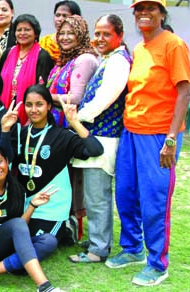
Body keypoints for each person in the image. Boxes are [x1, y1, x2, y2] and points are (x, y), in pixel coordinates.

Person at [105, 0, 190, 287]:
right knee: (126, 194)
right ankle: (132, 249)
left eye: (151, 8)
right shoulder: (140, 48)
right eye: (139, 8)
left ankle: (158, 263)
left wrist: (170, 139)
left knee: (154, 200)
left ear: (162, 14)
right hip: (131, 131)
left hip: (158, 135)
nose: (144, 13)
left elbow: (183, 92)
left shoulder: (173, 45)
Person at [67, 14, 132, 264]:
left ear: (120, 36)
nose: (100, 38)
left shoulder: (118, 63)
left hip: (103, 139)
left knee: (97, 196)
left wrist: (78, 117)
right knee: (95, 196)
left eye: (106, 34)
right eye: (97, 33)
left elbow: (105, 98)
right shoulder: (108, 59)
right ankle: (98, 240)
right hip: (96, 135)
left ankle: (97, 250)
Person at [12, 84, 103, 246]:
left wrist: (74, 122)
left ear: (48, 106)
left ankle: (67, 227)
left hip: (51, 209)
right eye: (29, 105)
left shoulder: (62, 136)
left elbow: (95, 149)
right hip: (26, 207)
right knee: (12, 240)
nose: (33, 109)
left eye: (39, 104)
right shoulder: (21, 134)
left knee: (35, 244)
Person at [0, 146, 64, 292]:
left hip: (8, 248)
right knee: (17, 225)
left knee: (49, 241)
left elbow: (20, 227)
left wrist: (32, 205)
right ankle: (45, 287)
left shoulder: (18, 190)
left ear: (7, 162)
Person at [46, 14, 98, 241]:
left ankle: (73, 227)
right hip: (58, 124)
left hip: (71, 126)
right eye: (62, 33)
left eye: (71, 33)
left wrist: (44, 96)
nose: (65, 37)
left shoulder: (84, 59)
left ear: (81, 35)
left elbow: (75, 97)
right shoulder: (65, 59)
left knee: (73, 177)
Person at [0, 14, 54, 125]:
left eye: (27, 30)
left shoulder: (42, 56)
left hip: (30, 111)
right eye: (19, 30)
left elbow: (42, 89)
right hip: (5, 107)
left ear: (36, 33)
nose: (22, 33)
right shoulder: (8, 53)